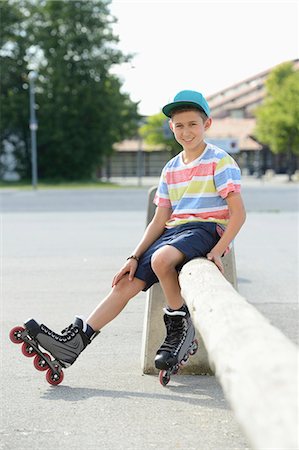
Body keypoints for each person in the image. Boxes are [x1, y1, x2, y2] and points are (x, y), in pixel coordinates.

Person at [22, 90, 246, 374]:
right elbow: (159, 219)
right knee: (125, 282)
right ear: (171, 127)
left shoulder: (220, 161)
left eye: (193, 124)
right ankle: (77, 342)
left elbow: (238, 213)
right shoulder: (171, 168)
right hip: (173, 233)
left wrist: (218, 250)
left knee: (162, 259)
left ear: (207, 124)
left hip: (205, 228)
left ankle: (179, 326)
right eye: (180, 125)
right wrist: (133, 256)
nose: (186, 131)